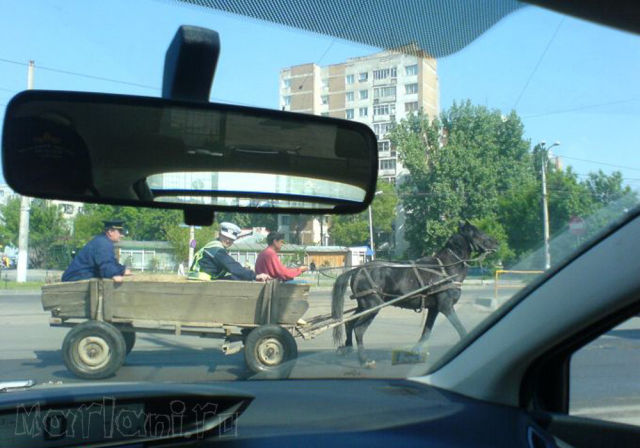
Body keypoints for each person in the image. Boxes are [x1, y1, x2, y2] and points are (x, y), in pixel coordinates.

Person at [188, 222, 271, 282]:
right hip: (201, 282)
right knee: (237, 277)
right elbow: (233, 267)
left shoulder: (212, 245)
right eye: (225, 237)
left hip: (197, 280)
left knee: (235, 277)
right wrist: (255, 276)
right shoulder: (217, 249)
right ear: (219, 235)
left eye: (231, 239)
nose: (228, 240)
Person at [62, 220, 131, 282]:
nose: (122, 235)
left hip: (79, 277)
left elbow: (111, 263)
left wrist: (122, 270)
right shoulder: (103, 243)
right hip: (74, 280)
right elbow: (107, 267)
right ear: (110, 232)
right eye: (120, 232)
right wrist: (118, 273)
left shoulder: (102, 241)